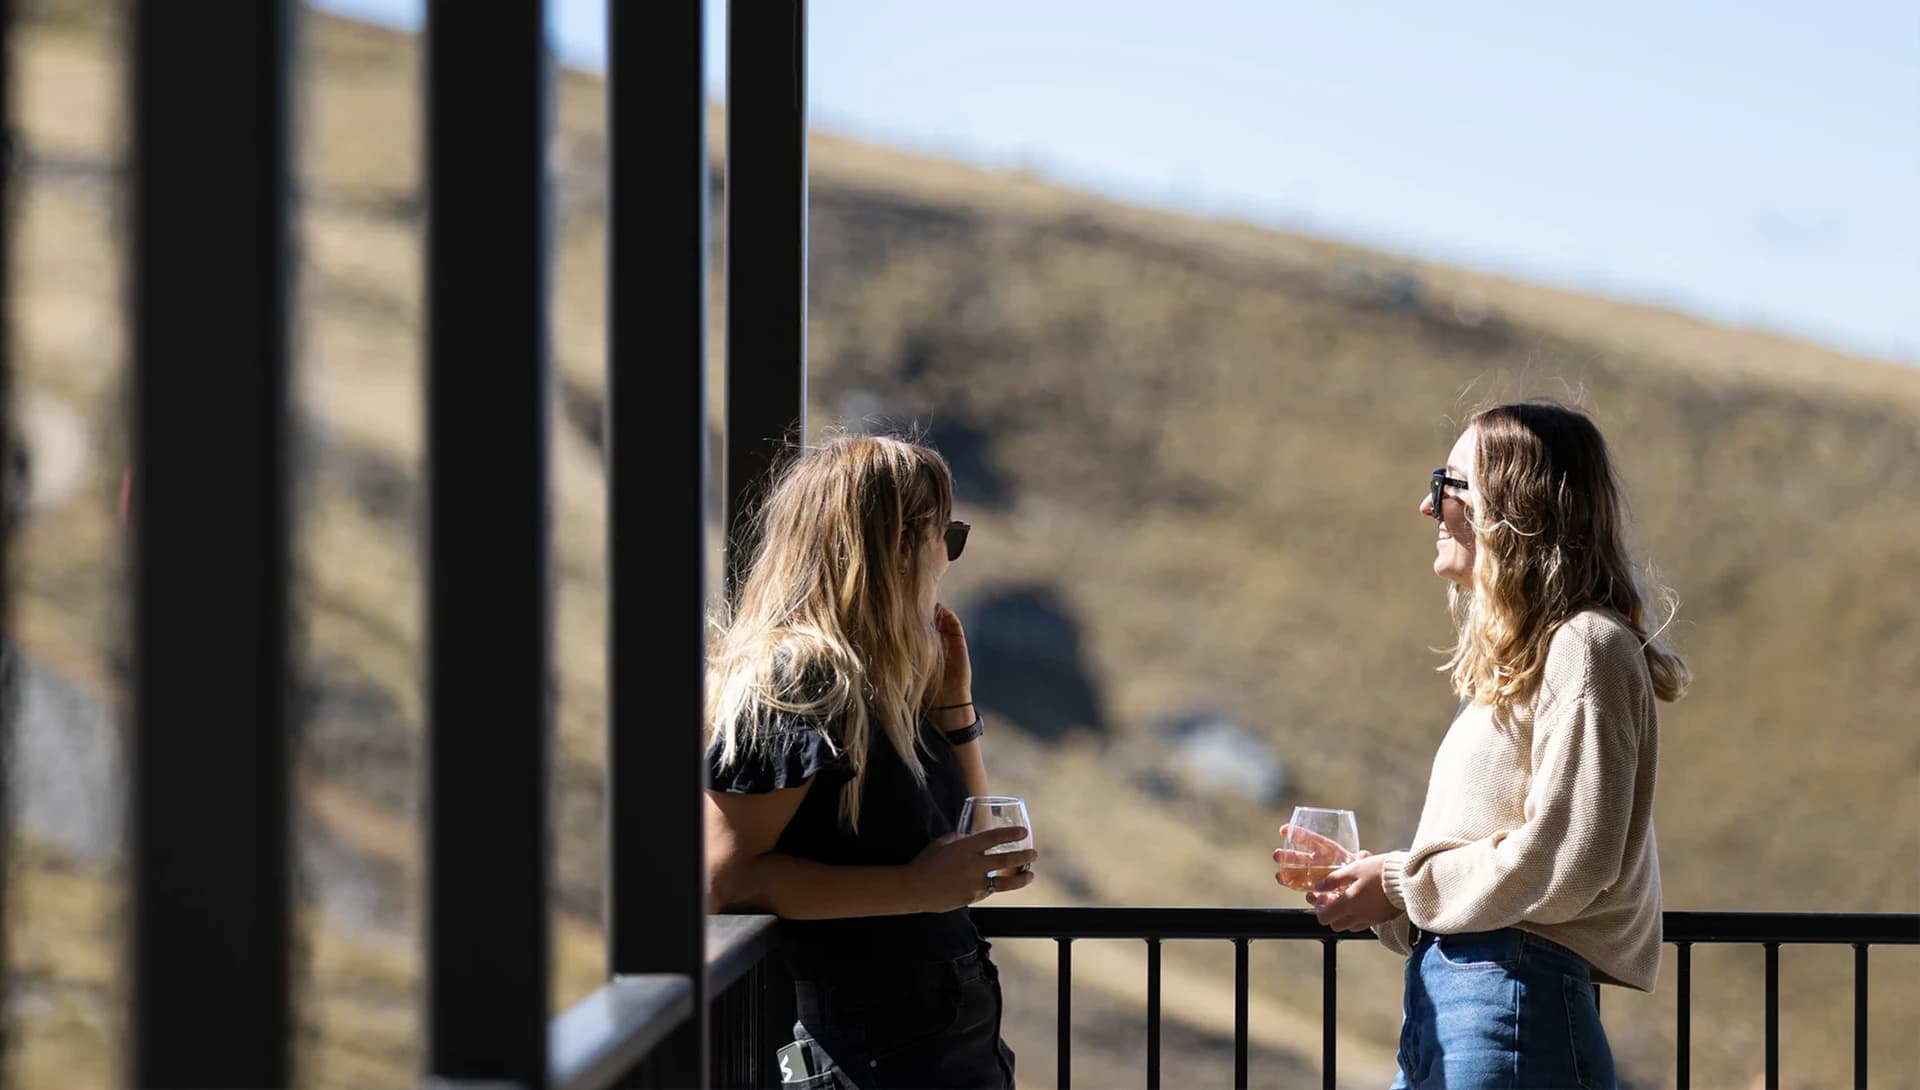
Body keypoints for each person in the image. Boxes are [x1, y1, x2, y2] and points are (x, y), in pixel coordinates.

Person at [1276, 402, 1689, 1090]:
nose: (1426, 506)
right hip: (1466, 1007)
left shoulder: (1587, 646)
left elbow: (1570, 858)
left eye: (1450, 484)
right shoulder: (1537, 659)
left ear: (1514, 507)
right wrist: (1375, 882)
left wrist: (1399, 884)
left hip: (1508, 1009)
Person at [705, 434, 1032, 1090]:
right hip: (869, 1052)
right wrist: (915, 888)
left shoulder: (887, 689)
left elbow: (969, 848)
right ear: (897, 545)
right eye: (947, 536)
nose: (946, 560)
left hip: (949, 1033)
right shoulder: (797, 678)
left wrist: (955, 711)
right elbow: (723, 880)